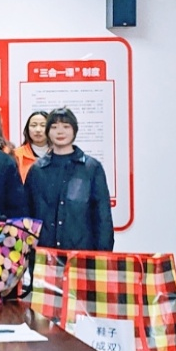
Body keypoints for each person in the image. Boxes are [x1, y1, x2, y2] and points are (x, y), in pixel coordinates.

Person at [25, 107, 113, 251]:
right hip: (44, 253)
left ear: (74, 130)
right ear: (48, 132)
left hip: (82, 252)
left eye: (66, 126)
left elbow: (103, 216)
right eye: (54, 127)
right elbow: (27, 212)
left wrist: (103, 253)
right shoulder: (37, 169)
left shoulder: (91, 167)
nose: (60, 132)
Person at [14, 110, 49, 182]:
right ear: (27, 129)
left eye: (43, 125)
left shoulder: (58, 154)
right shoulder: (16, 155)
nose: (38, 130)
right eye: (33, 125)